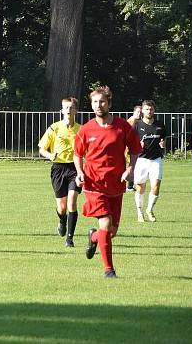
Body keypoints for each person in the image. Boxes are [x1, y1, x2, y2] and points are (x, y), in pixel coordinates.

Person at [74, 86, 141, 278]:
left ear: (109, 103)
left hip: (116, 183)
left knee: (111, 232)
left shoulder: (122, 127)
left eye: (102, 101)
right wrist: (79, 172)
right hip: (93, 184)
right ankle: (108, 269)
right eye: (95, 102)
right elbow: (78, 154)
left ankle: (94, 237)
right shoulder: (86, 129)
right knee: (105, 223)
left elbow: (135, 149)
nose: (98, 105)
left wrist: (130, 168)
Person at [38, 97, 82, 247]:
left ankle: (69, 239)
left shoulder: (81, 130)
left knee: (72, 201)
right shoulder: (54, 128)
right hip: (58, 168)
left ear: (76, 110)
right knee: (62, 207)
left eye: (71, 107)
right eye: (66, 107)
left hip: (75, 169)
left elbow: (89, 150)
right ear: (61, 110)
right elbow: (42, 149)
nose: (68, 110)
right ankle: (62, 220)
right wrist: (50, 155)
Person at [132, 100, 166, 221]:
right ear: (142, 110)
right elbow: (130, 141)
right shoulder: (137, 125)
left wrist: (163, 144)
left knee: (156, 185)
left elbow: (163, 138)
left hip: (156, 159)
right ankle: (140, 212)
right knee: (140, 187)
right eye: (146, 109)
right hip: (141, 159)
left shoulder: (160, 125)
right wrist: (137, 145)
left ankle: (149, 209)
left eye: (151, 109)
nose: (149, 111)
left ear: (154, 110)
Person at [125, 104, 142, 192]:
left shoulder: (137, 122)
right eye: (138, 112)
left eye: (140, 112)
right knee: (130, 165)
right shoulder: (131, 122)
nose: (139, 114)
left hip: (133, 147)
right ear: (134, 112)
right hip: (128, 148)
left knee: (133, 166)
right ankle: (129, 187)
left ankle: (130, 186)